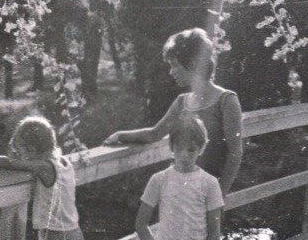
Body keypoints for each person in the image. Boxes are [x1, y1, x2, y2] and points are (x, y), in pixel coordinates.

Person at [104, 27, 243, 194]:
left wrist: (219, 196)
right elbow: (154, 134)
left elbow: (235, 153)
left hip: (209, 193)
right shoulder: (182, 102)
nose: (171, 72)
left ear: (191, 64)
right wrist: (121, 135)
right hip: (180, 190)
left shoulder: (226, 100)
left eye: (175, 65)